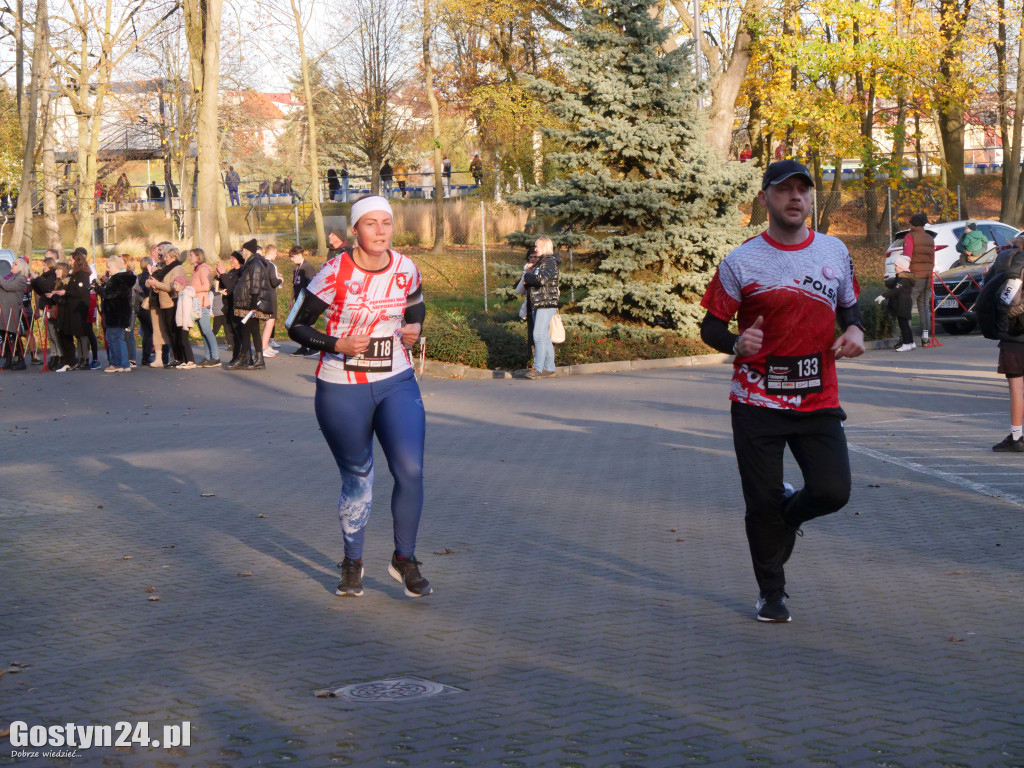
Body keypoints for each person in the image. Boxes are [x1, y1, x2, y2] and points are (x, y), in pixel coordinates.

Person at [699, 159, 865, 623]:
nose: (796, 197)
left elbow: (851, 309)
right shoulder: (742, 261)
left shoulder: (833, 252)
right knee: (760, 504)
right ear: (764, 199)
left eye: (803, 190)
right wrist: (735, 342)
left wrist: (855, 332)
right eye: (784, 190)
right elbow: (710, 325)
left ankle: (790, 516)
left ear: (811, 198)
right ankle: (772, 593)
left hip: (818, 399)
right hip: (757, 403)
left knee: (833, 492)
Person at [285, 195, 430, 598]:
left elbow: (416, 307)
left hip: (396, 380)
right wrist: (337, 343)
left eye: (387, 223)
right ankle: (353, 561)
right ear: (355, 230)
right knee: (358, 479)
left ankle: (405, 559)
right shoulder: (334, 272)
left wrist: (414, 329)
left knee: (411, 471)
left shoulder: (405, 267)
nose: (381, 231)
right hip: (341, 388)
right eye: (371, 224)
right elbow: (294, 324)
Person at [988, 236, 1024, 452]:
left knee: (1016, 387)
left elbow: (1005, 300)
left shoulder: (1015, 269)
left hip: (1016, 334)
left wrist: (1001, 326)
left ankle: (1017, 435)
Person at [229, 238, 274, 370]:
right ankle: (256, 359)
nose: (241, 253)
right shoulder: (249, 263)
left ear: (248, 250)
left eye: (243, 250)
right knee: (251, 330)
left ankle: (245, 357)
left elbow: (255, 284)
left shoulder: (255, 263)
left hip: (251, 303)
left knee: (248, 330)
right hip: (247, 303)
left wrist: (254, 304)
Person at [147, 245, 194, 368]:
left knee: (174, 331)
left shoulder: (177, 268)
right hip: (163, 302)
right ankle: (176, 357)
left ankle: (181, 358)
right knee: (169, 332)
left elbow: (172, 287)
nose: (165, 258)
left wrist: (157, 284)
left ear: (173, 257)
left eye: (167, 256)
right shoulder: (166, 268)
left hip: (171, 302)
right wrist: (154, 285)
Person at [520, 236, 560, 379]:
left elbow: (541, 279)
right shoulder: (542, 262)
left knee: (537, 334)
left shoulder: (549, 262)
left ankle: (538, 368)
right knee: (543, 335)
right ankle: (549, 368)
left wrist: (528, 277)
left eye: (537, 246)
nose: (535, 249)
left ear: (543, 247)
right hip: (539, 302)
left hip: (545, 302)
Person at [51, 252, 93, 371]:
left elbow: (80, 292)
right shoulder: (75, 274)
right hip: (73, 307)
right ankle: (78, 359)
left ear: (76, 261)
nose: (69, 262)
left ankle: (84, 358)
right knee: (76, 333)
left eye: (71, 260)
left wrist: (66, 293)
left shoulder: (82, 274)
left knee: (81, 333)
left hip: (79, 308)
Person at [96, 254, 136, 372]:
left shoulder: (118, 279)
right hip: (122, 312)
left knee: (113, 338)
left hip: (115, 313)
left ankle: (116, 364)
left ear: (115, 266)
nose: (107, 269)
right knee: (118, 338)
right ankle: (123, 364)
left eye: (109, 267)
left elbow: (109, 294)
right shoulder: (126, 277)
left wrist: (98, 289)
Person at [904, 213, 935, 345]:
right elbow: (932, 259)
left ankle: (907, 336)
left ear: (913, 224)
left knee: (907, 305)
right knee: (923, 307)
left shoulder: (910, 237)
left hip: (914, 275)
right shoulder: (929, 238)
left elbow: (907, 257)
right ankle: (925, 337)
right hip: (927, 276)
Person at [875, 252, 915, 351]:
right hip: (905, 302)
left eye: (896, 266)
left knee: (903, 324)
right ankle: (911, 342)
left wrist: (883, 296)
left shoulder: (903, 279)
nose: (895, 267)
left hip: (903, 303)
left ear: (901, 267)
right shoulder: (904, 277)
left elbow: (895, 290)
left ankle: (906, 343)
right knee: (905, 323)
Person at [188, 248, 220, 367]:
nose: (189, 258)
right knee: (203, 332)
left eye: (191, 255)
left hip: (202, 304)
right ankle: (207, 357)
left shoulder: (202, 269)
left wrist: (191, 290)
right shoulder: (196, 270)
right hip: (197, 305)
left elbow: (206, 287)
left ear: (198, 257)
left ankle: (216, 357)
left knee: (207, 331)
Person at [0, 258, 29, 370]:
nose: (12, 265)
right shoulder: (9, 277)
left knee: (13, 335)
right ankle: (8, 358)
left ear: (21, 267)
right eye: (13, 263)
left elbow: (8, 287)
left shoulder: (21, 279)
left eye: (15, 264)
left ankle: (21, 359)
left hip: (11, 310)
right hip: (4, 310)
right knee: (4, 335)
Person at [289, 245, 317, 356]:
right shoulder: (296, 268)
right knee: (300, 324)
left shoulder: (307, 267)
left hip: (306, 299)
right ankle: (304, 347)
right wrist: (291, 300)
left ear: (299, 255)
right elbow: (294, 285)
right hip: (298, 300)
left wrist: (308, 301)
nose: (292, 259)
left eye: (293, 256)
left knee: (308, 324)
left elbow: (311, 285)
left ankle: (314, 347)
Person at [260, 244, 285, 358]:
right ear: (272, 252)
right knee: (270, 322)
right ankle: (263, 347)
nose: (276, 255)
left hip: (261, 295)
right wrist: (280, 279)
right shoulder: (271, 265)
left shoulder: (259, 264)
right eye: (276, 253)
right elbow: (274, 282)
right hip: (270, 297)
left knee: (268, 321)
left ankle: (264, 346)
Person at [220, 251, 244, 366]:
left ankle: (241, 356)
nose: (230, 260)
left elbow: (231, 287)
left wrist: (223, 275)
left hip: (236, 306)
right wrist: (220, 276)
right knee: (232, 333)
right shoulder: (230, 272)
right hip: (228, 305)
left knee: (238, 333)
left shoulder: (240, 272)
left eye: (233, 258)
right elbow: (224, 285)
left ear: (238, 260)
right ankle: (235, 356)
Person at [135, 255, 155, 365]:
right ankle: (146, 356)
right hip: (148, 305)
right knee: (150, 332)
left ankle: (145, 356)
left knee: (146, 332)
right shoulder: (151, 277)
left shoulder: (138, 277)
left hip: (140, 307)